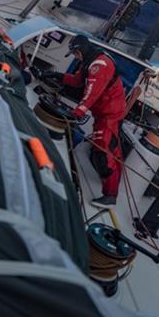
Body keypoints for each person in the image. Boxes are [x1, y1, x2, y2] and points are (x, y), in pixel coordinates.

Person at [56, 34, 126, 208]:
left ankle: (110, 196)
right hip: (103, 112)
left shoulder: (99, 65)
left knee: (102, 151)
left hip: (109, 114)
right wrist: (57, 76)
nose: (75, 57)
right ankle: (116, 180)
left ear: (80, 51)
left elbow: (91, 94)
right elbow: (79, 81)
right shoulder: (90, 60)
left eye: (75, 54)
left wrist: (77, 113)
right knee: (111, 148)